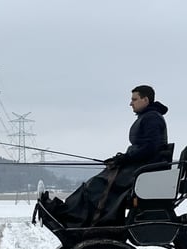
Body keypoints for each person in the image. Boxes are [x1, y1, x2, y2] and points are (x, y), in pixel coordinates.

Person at [40, 85, 170, 227]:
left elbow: (150, 148)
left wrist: (124, 159)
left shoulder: (152, 118)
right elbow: (145, 148)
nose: (130, 103)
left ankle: (74, 218)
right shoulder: (149, 116)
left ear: (145, 100)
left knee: (97, 185)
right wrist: (121, 159)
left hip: (142, 170)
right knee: (96, 182)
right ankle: (70, 213)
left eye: (134, 99)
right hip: (139, 167)